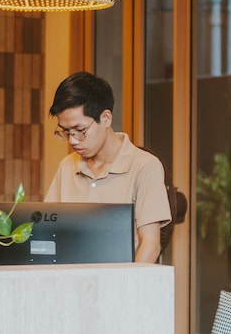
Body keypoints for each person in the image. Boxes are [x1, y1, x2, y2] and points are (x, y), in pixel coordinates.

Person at [45, 71, 171, 264]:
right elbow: (46, 230)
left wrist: (127, 283)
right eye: (66, 132)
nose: (72, 140)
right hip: (71, 277)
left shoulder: (145, 166)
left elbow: (151, 245)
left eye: (80, 130)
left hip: (121, 279)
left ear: (105, 118)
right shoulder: (67, 166)